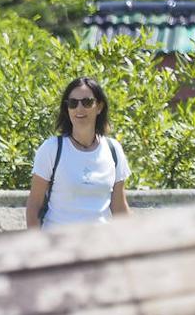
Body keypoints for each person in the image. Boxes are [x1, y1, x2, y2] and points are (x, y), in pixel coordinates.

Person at [25, 77, 131, 230]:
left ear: (99, 107)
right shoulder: (52, 149)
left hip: (102, 247)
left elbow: (120, 209)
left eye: (87, 102)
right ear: (67, 109)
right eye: (73, 103)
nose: (79, 109)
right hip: (58, 248)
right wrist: (36, 247)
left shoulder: (113, 150)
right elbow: (34, 206)